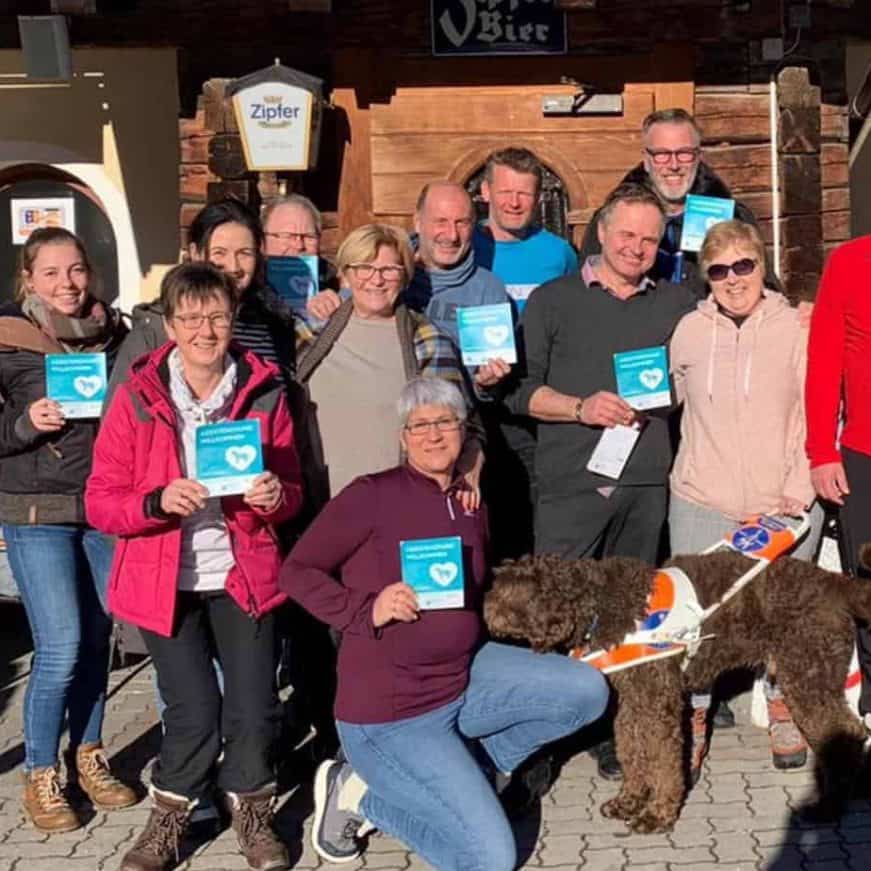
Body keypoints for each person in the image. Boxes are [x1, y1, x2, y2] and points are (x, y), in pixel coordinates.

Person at [281, 377, 609, 871]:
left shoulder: (468, 502)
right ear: (403, 437)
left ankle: (480, 766)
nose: (434, 435)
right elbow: (296, 573)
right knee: (491, 859)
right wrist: (365, 608)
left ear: (463, 431)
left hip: (463, 678)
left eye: (445, 423)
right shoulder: (371, 495)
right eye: (421, 426)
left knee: (587, 691)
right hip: (392, 716)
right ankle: (359, 795)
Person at [85, 262, 303, 871]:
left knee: (255, 705)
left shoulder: (262, 390)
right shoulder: (136, 396)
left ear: (233, 320)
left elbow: (292, 485)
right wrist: (156, 502)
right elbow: (101, 499)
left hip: (242, 573)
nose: (205, 329)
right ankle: (170, 818)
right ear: (170, 324)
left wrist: (273, 497)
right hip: (165, 580)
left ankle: (252, 811)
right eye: (191, 317)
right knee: (193, 710)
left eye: (217, 315)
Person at [504, 182, 697, 780]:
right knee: (554, 610)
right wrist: (580, 407)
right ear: (601, 233)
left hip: (644, 483)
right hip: (570, 482)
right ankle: (538, 736)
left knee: (625, 612)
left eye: (649, 239)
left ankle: (613, 730)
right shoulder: (552, 300)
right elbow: (516, 390)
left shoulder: (676, 303)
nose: (637, 247)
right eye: (626, 235)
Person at [668, 220, 824, 778]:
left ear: (762, 265)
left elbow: (816, 409)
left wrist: (799, 487)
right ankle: (696, 712)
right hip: (701, 497)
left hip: (782, 495)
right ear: (706, 278)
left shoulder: (798, 327)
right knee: (697, 615)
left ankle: (781, 704)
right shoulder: (687, 330)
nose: (733, 279)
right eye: (719, 269)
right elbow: (670, 402)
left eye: (744, 265)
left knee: (783, 613)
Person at [0, 227, 135, 831]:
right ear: (28, 280)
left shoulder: (119, 333)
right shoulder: (7, 339)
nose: (67, 284)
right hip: (37, 512)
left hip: (102, 508)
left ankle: (89, 755)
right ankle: (41, 772)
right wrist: (25, 423)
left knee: (99, 639)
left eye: (76, 270)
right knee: (58, 646)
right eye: (51, 273)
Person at [295, 222, 485, 517]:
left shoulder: (427, 338)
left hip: (400, 509)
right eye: (364, 267)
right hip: (319, 507)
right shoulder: (310, 331)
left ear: (405, 277)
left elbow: (462, 424)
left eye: (389, 270)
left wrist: (472, 464)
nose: (376, 279)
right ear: (345, 274)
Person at [106, 197, 297, 407]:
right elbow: (119, 419)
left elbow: (291, 406)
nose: (233, 267)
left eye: (245, 253)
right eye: (219, 253)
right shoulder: (156, 330)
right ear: (196, 253)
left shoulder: (273, 322)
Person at [580, 108, 778, 300]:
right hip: (641, 328)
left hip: (710, 328)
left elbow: (764, 286)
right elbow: (588, 287)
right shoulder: (613, 219)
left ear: (699, 157)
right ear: (646, 160)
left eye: (684, 153)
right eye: (661, 154)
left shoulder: (733, 216)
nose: (674, 165)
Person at [307, 182, 509, 351]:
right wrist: (324, 305)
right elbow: (346, 307)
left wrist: (487, 383)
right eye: (441, 221)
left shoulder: (487, 291)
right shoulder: (385, 273)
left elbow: (492, 376)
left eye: (462, 223)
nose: (452, 235)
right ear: (418, 222)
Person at [806, 233, 871, 729]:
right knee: (867, 588)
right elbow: (825, 359)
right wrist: (822, 451)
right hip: (863, 454)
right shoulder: (851, 261)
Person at [261, 193, 339, 291]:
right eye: (287, 236)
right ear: (263, 241)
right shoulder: (246, 288)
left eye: (309, 237)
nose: (299, 246)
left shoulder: (335, 284)